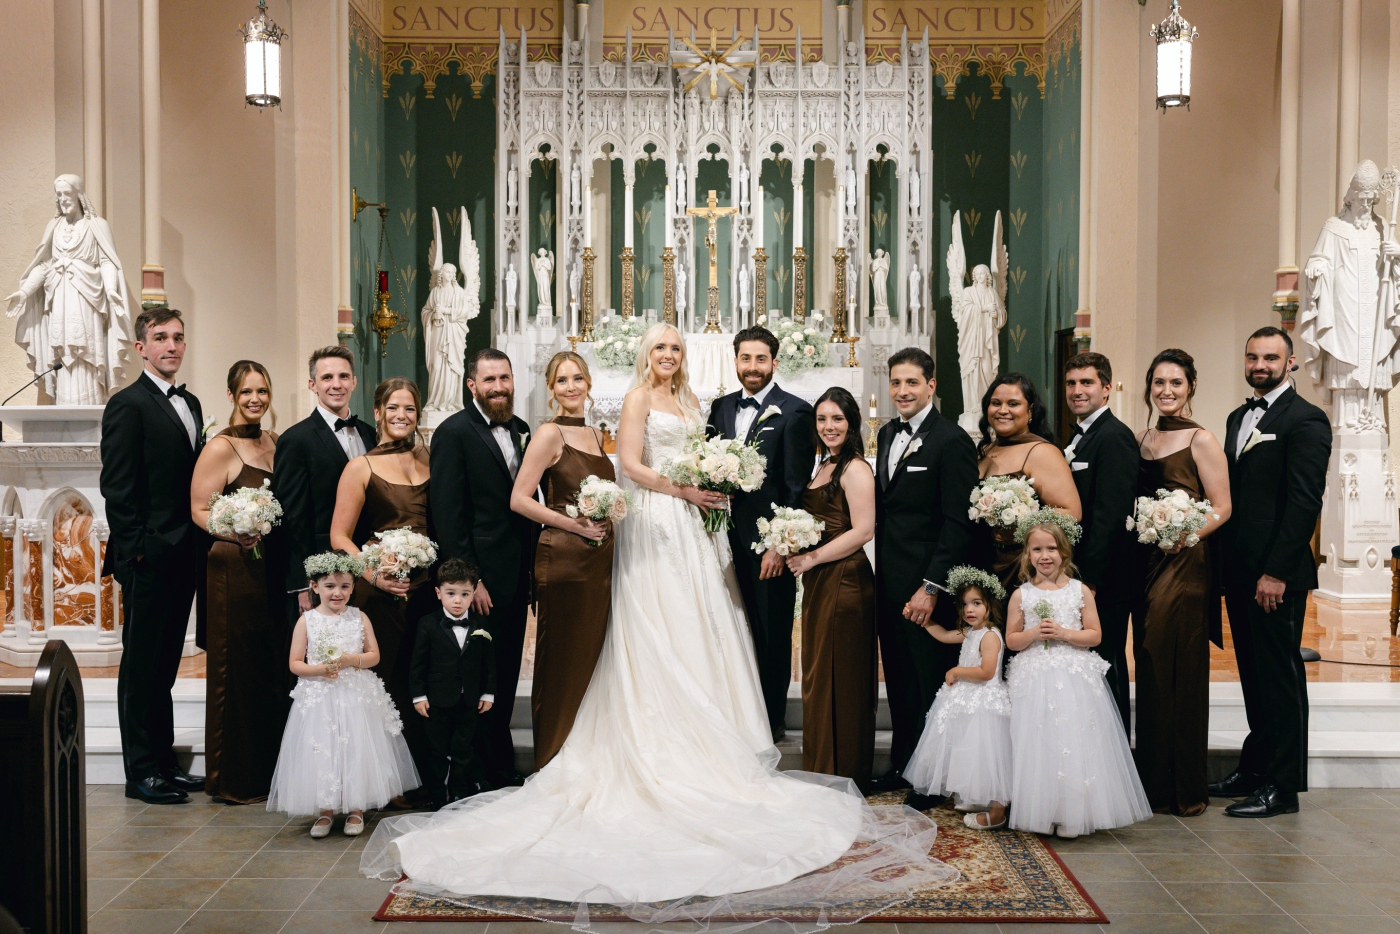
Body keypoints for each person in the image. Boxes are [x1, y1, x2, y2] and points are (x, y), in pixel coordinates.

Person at [360, 323, 960, 913]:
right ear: (647, 356)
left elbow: (705, 460)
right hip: (656, 520)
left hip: (696, 530)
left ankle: (720, 741)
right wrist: (687, 491)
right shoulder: (640, 399)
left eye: (675, 347)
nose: (668, 355)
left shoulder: (697, 401)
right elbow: (629, 466)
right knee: (654, 623)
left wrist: (709, 488)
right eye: (660, 347)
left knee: (706, 622)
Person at [1211, 327, 1331, 818]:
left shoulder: (1306, 419)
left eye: (1270, 357)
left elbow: (1305, 502)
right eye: (1252, 356)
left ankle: (1282, 788)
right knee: (1254, 677)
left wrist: (1277, 571)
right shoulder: (1239, 416)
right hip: (1241, 572)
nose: (1260, 364)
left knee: (1280, 677)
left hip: (1275, 576)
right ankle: (1256, 766)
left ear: (1291, 362)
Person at [100, 307, 206, 805]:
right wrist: (135, 555)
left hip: (183, 555)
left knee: (164, 666)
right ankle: (140, 771)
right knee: (141, 668)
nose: (171, 346)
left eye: (178, 338)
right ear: (140, 347)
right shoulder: (128, 404)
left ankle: (164, 762)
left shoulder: (193, 403)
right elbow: (117, 490)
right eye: (160, 338)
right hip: (148, 559)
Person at [871, 347, 979, 804]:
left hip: (927, 587)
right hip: (890, 581)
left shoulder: (951, 441)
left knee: (929, 680)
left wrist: (932, 587)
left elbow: (959, 522)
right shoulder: (884, 435)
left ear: (932, 386)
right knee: (899, 679)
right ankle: (903, 764)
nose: (902, 391)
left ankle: (933, 777)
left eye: (912, 382)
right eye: (896, 383)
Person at [1004, 514, 1150, 838]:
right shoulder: (1021, 595)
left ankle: (1073, 811)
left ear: (1064, 552)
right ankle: (1042, 809)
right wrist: (1032, 634)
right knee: (1038, 741)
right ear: (1027, 554)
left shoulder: (1080, 591)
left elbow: (1095, 636)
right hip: (1034, 677)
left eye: (1051, 548)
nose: (1045, 556)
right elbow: (1011, 640)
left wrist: (1064, 632)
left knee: (1072, 739)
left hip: (1072, 675)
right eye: (1037, 549)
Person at [429, 349, 537, 788]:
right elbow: (448, 514)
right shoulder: (453, 433)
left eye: (505, 378)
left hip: (517, 574)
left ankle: (499, 761)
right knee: (474, 676)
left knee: (506, 672)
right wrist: (468, 582)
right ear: (471, 384)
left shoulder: (525, 430)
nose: (499, 387)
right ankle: (475, 770)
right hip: (480, 582)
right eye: (489, 380)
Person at [707, 326, 817, 740]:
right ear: (735, 361)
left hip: (767, 546)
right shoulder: (719, 408)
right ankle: (738, 711)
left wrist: (777, 546)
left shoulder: (795, 411)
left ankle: (771, 720)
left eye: (760, 359)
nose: (752, 368)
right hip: (721, 541)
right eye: (745, 359)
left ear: (774, 362)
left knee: (770, 633)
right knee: (733, 628)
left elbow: (794, 487)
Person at [1134, 349, 1232, 817]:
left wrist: (1181, 534)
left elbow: (1222, 506)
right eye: (1158, 383)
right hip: (1146, 562)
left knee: (1181, 668)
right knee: (1151, 664)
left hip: (1185, 565)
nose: (1166, 391)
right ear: (1149, 387)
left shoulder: (1202, 439)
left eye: (1175, 383)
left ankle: (1183, 788)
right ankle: (1153, 782)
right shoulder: (1142, 438)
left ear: (1191, 387)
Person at [509, 351, 613, 769]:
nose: (571, 387)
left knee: (589, 657)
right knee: (561, 659)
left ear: (588, 383)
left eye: (577, 379)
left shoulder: (594, 433)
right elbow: (519, 499)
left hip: (598, 563)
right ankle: (551, 756)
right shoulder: (549, 434)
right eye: (562, 381)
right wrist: (574, 526)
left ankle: (582, 753)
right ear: (551, 389)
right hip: (565, 559)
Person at [190, 360, 287, 804]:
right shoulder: (220, 447)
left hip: (268, 569)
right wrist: (236, 529)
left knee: (266, 668)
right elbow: (199, 509)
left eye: (262, 392)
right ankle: (232, 779)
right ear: (231, 395)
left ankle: (268, 773)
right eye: (246, 392)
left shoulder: (275, 441)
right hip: (232, 567)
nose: (255, 400)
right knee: (236, 670)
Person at [267, 551, 419, 836]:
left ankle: (356, 809)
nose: (338, 593)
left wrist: (351, 660)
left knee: (355, 748)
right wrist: (321, 669)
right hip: (320, 697)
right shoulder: (307, 621)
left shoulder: (359, 617)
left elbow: (373, 655)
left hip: (355, 695)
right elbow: (295, 664)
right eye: (330, 586)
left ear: (353, 587)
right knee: (323, 748)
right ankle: (325, 811)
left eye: (345, 586)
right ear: (314, 587)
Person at [329, 378, 436, 780]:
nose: (401, 416)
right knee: (385, 680)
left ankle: (422, 774)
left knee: (419, 677)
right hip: (379, 591)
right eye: (393, 408)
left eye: (409, 409)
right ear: (377, 412)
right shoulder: (361, 467)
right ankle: (383, 779)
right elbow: (339, 536)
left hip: (426, 591)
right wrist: (373, 575)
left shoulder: (430, 460)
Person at [784, 387, 877, 786]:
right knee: (821, 674)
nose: (828, 426)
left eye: (837, 418)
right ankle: (822, 765)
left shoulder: (854, 468)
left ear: (852, 422)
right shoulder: (822, 466)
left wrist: (812, 558)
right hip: (822, 581)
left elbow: (864, 530)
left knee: (843, 676)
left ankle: (844, 770)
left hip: (846, 580)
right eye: (822, 419)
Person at [1061, 352, 1138, 732]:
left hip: (1104, 576)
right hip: (1080, 573)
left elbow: (1110, 516)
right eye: (1072, 383)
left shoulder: (1115, 437)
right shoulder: (1080, 434)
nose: (1078, 391)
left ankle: (1116, 747)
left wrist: (1088, 580)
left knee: (1105, 661)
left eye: (1087, 383)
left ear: (1106, 388)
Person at [271, 347, 378, 618]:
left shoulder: (370, 434)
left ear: (354, 381)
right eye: (327, 377)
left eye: (344, 376)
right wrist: (300, 583)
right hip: (322, 572)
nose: (336, 384)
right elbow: (291, 517)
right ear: (313, 385)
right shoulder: (296, 439)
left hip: (369, 566)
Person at [904, 567, 1011, 831]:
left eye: (976, 603)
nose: (969, 610)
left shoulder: (990, 635)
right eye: (965, 605)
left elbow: (986, 672)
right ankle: (975, 796)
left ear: (990, 604)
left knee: (986, 753)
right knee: (968, 750)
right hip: (966, 701)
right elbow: (943, 635)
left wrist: (956, 671)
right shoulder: (970, 632)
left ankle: (997, 809)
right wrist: (925, 622)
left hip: (983, 703)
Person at [975, 373, 1082, 593]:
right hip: (983, 560)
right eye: (996, 403)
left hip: (1021, 566)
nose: (1003, 410)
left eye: (1013, 404)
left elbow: (1072, 512)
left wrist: (1021, 521)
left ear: (1030, 411)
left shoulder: (1042, 452)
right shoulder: (986, 450)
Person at [410, 558, 496, 809]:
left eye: (464, 594)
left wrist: (488, 693)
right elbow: (418, 664)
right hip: (436, 700)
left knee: (463, 749)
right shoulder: (427, 624)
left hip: (469, 700)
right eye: (451, 593)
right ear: (438, 593)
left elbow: (489, 663)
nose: (457, 600)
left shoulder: (480, 624)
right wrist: (419, 696)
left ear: (473, 594)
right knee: (437, 751)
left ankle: (459, 793)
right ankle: (438, 795)